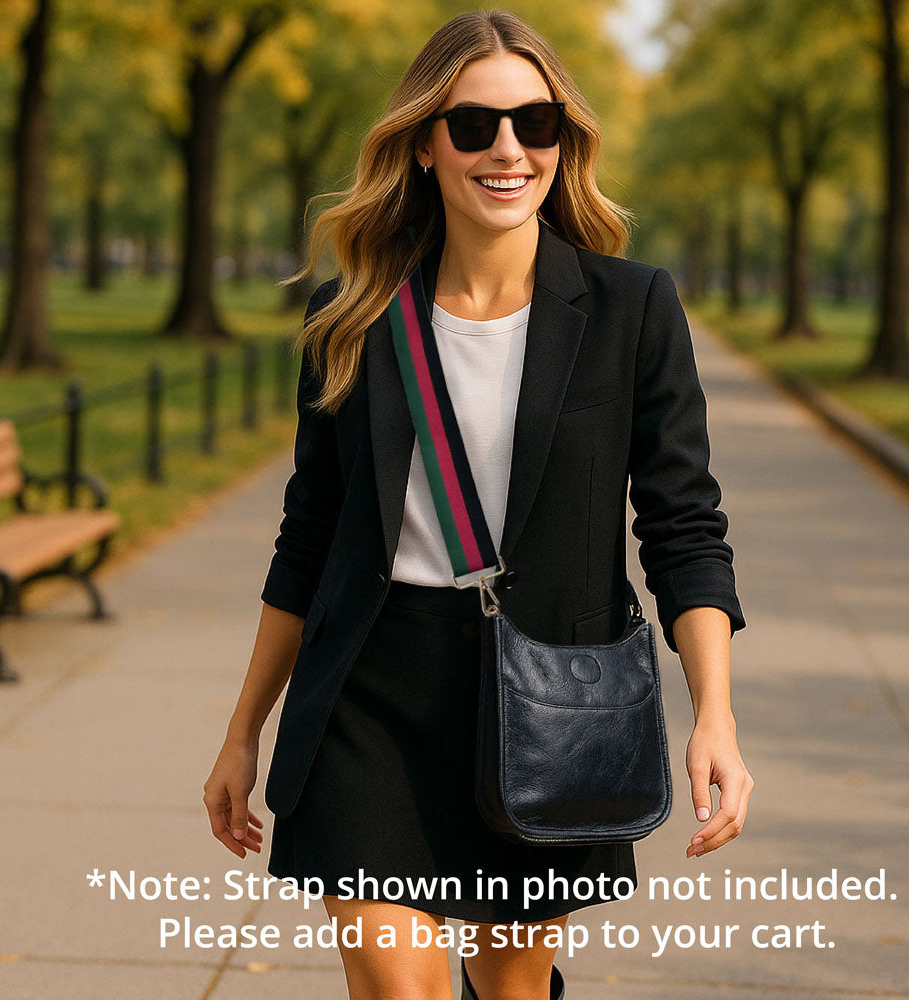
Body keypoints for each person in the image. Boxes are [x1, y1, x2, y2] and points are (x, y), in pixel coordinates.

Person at [203, 9, 753, 1000]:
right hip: (372, 694)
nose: (508, 149)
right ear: (424, 143)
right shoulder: (352, 318)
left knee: (509, 990)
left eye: (535, 124)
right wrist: (245, 727)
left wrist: (713, 713)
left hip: (547, 696)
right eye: (473, 126)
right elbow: (309, 533)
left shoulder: (630, 310)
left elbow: (682, 524)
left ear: (560, 140)